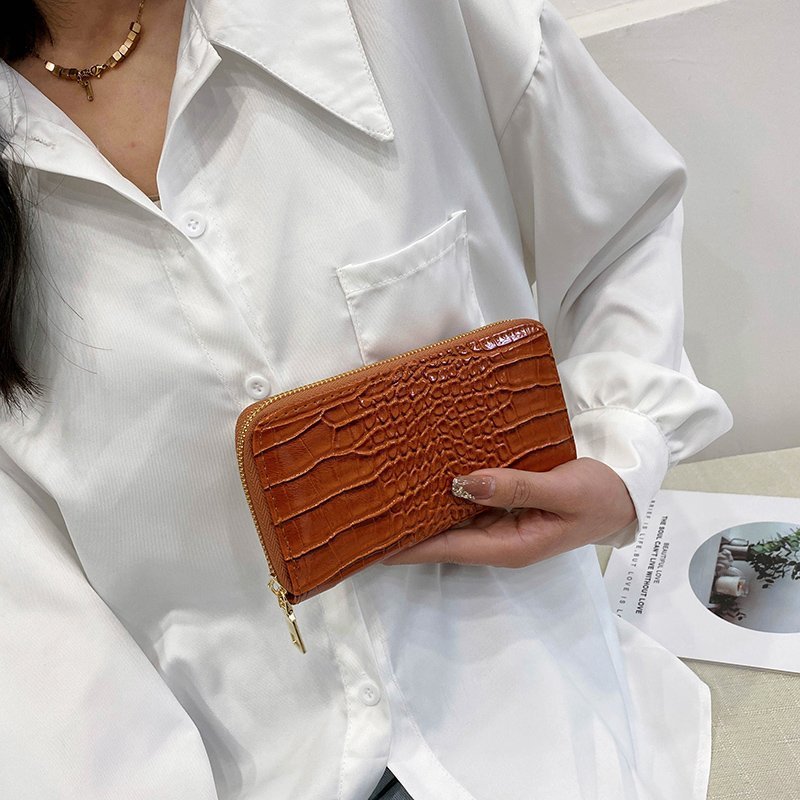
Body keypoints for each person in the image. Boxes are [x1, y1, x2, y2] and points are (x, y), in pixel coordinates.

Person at [0, 1, 733, 798]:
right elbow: (33, 629)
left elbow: (620, 220)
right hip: (229, 768)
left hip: (534, 719)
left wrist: (625, 440)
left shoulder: (405, 18)